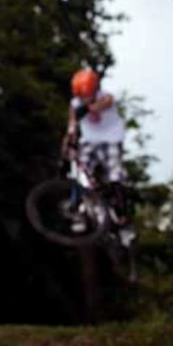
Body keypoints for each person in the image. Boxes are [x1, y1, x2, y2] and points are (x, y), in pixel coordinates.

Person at [63, 68, 133, 238]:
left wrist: (88, 108)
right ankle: (77, 211)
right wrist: (69, 141)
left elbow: (102, 105)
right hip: (89, 141)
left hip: (111, 140)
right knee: (80, 174)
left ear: (95, 90)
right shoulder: (75, 104)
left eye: (86, 95)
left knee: (115, 175)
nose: (83, 99)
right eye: (80, 96)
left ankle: (123, 219)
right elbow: (72, 126)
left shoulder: (106, 96)